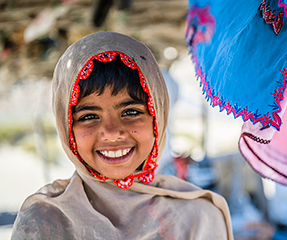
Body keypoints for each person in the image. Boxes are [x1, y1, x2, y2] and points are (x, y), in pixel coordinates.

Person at [11, 32, 233, 240]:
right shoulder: (44, 222)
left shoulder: (198, 218)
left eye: (130, 112)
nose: (112, 132)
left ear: (158, 117)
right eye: (89, 116)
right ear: (66, 126)